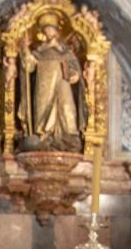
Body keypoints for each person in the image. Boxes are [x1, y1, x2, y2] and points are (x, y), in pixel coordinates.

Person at [19, 12, 85, 152]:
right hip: (44, 87)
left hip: (62, 84)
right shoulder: (39, 51)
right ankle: (45, 137)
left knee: (67, 108)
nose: (48, 32)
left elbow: (74, 68)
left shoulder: (65, 51)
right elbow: (29, 66)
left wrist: (75, 75)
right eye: (46, 30)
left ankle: (68, 137)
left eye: (51, 29)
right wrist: (25, 49)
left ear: (56, 30)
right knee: (43, 111)